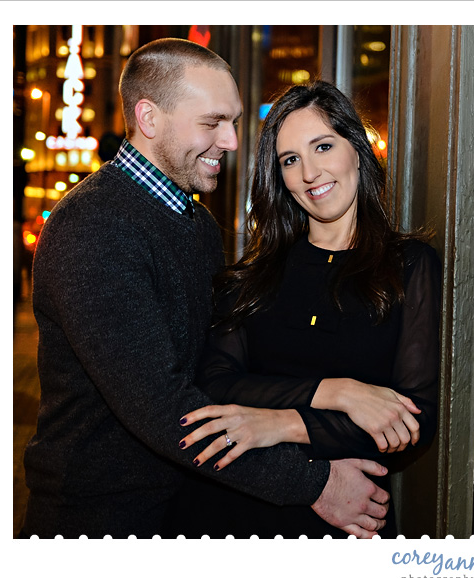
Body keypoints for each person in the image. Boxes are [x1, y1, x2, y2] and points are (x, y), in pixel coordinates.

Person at [19, 38, 390, 539]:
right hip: (101, 521)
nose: (232, 141)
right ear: (149, 119)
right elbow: (165, 409)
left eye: (234, 122)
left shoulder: (193, 221)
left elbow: (214, 375)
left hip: (184, 509)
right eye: (212, 122)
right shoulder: (93, 226)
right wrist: (315, 482)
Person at [162, 80, 441, 539]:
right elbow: (215, 384)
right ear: (280, 177)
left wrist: (276, 423)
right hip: (232, 516)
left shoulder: (408, 265)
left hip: (349, 522)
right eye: (291, 160)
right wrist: (339, 393)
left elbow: (413, 421)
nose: (310, 172)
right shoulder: (255, 274)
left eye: (323, 146)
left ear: (358, 149)